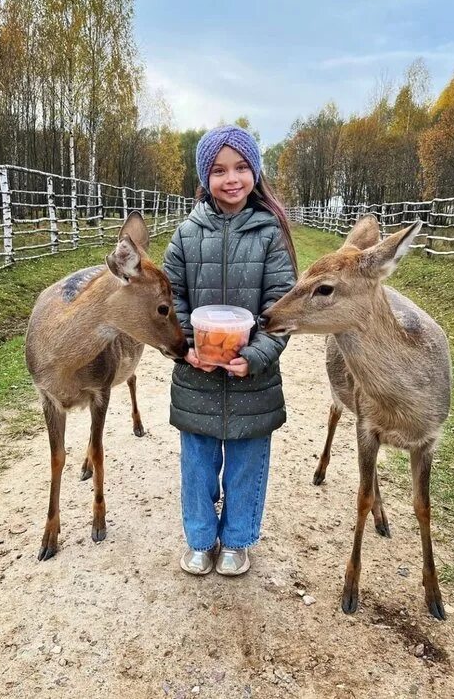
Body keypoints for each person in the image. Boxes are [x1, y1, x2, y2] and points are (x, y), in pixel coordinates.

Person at [163, 125, 298, 576]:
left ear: (255, 172)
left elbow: (281, 306)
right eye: (219, 170)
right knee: (198, 463)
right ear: (206, 178)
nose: (231, 178)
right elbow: (171, 298)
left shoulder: (269, 234)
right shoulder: (185, 235)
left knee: (246, 463)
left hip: (252, 379)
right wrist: (185, 347)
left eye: (241, 167)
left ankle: (238, 540)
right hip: (196, 373)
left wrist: (256, 356)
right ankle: (201, 540)